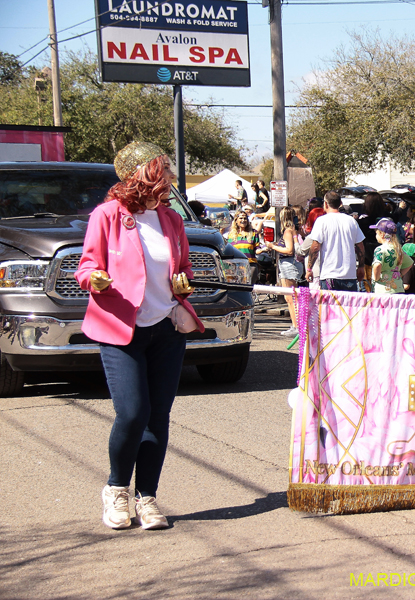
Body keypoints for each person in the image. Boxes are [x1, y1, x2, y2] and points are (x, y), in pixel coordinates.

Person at [75, 141, 203, 530]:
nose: (166, 177)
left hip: (166, 328)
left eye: (166, 170)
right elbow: (86, 266)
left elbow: (182, 270)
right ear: (138, 176)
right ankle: (116, 490)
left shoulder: (171, 219)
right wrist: (93, 279)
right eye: (158, 170)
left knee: (158, 417)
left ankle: (147, 497)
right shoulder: (108, 215)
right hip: (120, 328)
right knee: (132, 413)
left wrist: (184, 284)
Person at [306, 191, 366, 292]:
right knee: (347, 307)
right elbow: (360, 246)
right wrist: (361, 266)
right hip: (349, 275)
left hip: (329, 274)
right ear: (340, 203)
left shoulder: (321, 221)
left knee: (330, 307)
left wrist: (309, 269)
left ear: (325, 204)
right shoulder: (351, 221)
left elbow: (315, 246)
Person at [267, 206, 305, 336]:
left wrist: (273, 246)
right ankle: (294, 325)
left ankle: (297, 326)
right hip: (288, 265)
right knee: (290, 298)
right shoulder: (291, 231)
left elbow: (289, 250)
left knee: (291, 298)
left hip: (289, 264)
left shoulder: (288, 231)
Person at [357, 192, 391, 292]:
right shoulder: (387, 220)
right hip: (385, 257)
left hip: (367, 257)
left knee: (368, 288)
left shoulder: (362, 222)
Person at [370, 218, 413, 295]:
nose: (376, 235)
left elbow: (377, 265)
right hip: (399, 288)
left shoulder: (380, 249)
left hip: (383, 290)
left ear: (381, 234)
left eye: (376, 233)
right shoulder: (398, 249)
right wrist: (400, 274)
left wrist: (376, 278)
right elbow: (409, 263)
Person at [225, 209, 262, 285]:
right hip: (235, 267)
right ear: (236, 220)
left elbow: (256, 250)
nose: (243, 220)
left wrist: (264, 250)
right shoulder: (230, 235)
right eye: (241, 218)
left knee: (248, 289)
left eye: (245, 218)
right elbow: (228, 251)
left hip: (250, 265)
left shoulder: (253, 233)